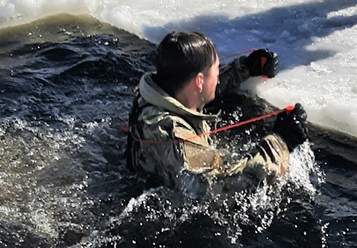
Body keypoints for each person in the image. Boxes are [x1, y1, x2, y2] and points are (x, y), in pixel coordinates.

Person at [126, 31, 310, 193]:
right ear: (199, 81)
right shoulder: (177, 140)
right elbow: (230, 188)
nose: (217, 76)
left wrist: (245, 68)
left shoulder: (152, 93)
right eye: (216, 69)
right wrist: (282, 141)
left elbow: (197, 86)